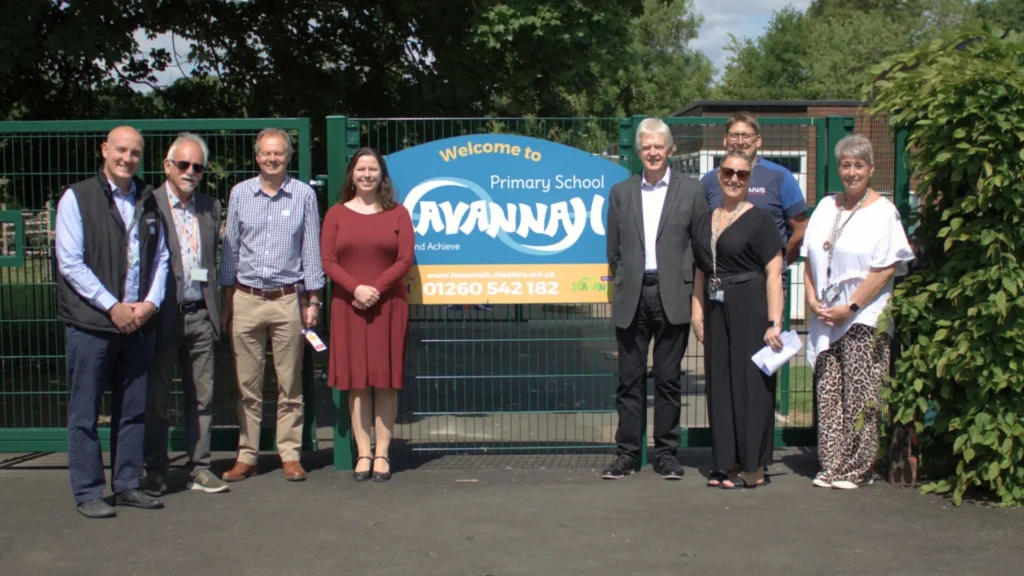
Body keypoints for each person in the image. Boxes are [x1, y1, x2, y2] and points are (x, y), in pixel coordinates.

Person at [55, 126, 171, 518]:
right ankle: (88, 491)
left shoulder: (149, 199)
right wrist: (112, 306)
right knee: (85, 413)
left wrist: (150, 304)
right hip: (91, 325)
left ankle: (126, 485)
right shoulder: (77, 197)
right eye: (121, 150)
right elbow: (70, 262)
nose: (127, 159)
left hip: (138, 325)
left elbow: (161, 259)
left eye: (135, 153)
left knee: (133, 410)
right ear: (105, 150)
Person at [802, 134, 914, 490]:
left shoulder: (884, 212)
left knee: (862, 394)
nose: (851, 172)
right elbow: (809, 260)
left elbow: (884, 270)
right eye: (846, 165)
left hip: (862, 317)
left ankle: (857, 468)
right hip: (825, 317)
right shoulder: (825, 207)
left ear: (871, 168)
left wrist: (849, 307)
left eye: (858, 165)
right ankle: (831, 464)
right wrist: (811, 300)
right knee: (829, 391)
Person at [603, 117, 708, 480]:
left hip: (673, 294)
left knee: (668, 380)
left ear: (670, 149)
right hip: (632, 293)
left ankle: (666, 453)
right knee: (628, 381)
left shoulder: (691, 192)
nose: (652, 152)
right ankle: (627, 453)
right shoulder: (620, 193)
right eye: (646, 146)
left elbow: (699, 247)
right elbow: (613, 251)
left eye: (658, 146)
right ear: (639, 151)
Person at [218, 128, 325, 482]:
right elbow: (229, 251)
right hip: (246, 298)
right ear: (257, 156)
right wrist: (226, 301)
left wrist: (313, 299)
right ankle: (246, 454)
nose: (272, 158)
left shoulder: (304, 196)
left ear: (289, 156)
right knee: (247, 384)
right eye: (266, 153)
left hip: (286, 300)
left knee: (289, 383)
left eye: (278, 153)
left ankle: (289, 454)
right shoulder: (239, 194)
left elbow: (311, 249)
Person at [691, 150, 784, 489]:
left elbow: (774, 273)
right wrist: (697, 315)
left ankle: (754, 466)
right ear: (718, 174)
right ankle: (724, 463)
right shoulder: (705, 220)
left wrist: (775, 322)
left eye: (742, 174)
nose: (734, 179)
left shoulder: (760, 220)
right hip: (715, 308)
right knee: (720, 383)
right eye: (728, 172)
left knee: (752, 384)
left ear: (749, 180)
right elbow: (701, 270)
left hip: (751, 304)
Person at [142, 133, 229, 496]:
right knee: (156, 398)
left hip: (200, 314)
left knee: (202, 398)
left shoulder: (211, 206)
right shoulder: (148, 203)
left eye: (198, 167)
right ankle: (156, 470)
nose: (190, 172)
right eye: (183, 165)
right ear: (167, 166)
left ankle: (200, 468)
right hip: (161, 316)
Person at [320, 148, 414, 482]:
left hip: (389, 306)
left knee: (386, 380)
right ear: (352, 174)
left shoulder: (398, 214)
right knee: (357, 381)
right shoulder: (336, 214)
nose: (367, 175)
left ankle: (383, 455)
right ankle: (363, 453)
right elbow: (328, 260)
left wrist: (374, 287)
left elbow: (405, 259)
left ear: (382, 175)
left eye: (373, 169)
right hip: (349, 306)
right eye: (361, 169)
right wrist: (356, 289)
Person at [700, 112, 808, 267]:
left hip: (766, 279)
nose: (740, 141)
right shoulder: (710, 180)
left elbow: (801, 230)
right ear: (725, 140)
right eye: (734, 136)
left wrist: (780, 264)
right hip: (720, 276)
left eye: (746, 136)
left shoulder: (780, 177)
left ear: (758, 140)